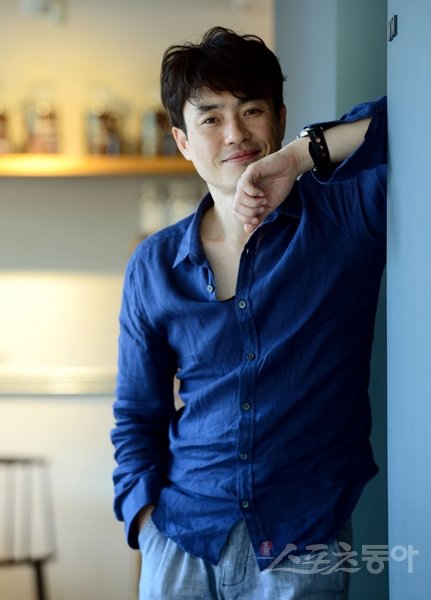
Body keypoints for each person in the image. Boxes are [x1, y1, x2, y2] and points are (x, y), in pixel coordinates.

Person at [111, 26, 387, 599]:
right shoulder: (154, 265)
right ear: (182, 141)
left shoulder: (342, 219)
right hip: (182, 539)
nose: (235, 133)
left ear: (280, 119)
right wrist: (146, 522)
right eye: (210, 118)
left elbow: (413, 116)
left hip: (301, 540)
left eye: (251, 110)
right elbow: (137, 414)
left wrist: (300, 157)